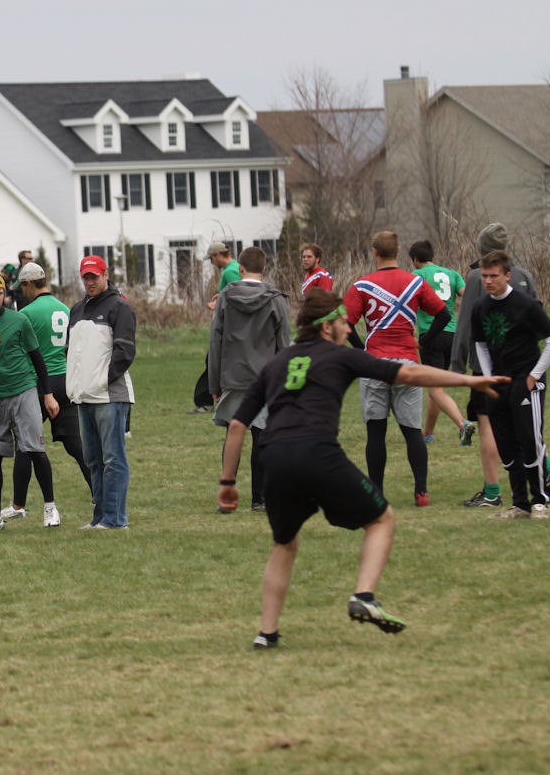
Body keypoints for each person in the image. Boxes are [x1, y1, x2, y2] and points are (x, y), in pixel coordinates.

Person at [218, 289, 508, 648]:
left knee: (284, 544)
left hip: (274, 458)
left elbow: (237, 425)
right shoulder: (342, 356)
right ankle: (364, 596)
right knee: (382, 519)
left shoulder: (275, 363)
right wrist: (468, 381)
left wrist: (227, 482)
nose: (348, 328)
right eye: (344, 322)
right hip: (318, 452)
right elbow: (409, 372)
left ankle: (266, 633)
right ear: (327, 327)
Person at [450, 223, 550, 507]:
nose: (488, 280)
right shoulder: (523, 276)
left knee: (496, 427)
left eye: (493, 275)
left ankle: (495, 491)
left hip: (513, 373)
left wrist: (458, 366)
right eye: (485, 276)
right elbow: (479, 335)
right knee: (520, 431)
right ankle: (540, 478)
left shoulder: (478, 278)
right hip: (502, 372)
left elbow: (465, 326)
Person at [342, 231, 449, 506]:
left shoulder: (362, 285)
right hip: (408, 364)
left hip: (375, 364)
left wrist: (361, 349)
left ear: (374, 252)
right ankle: (421, 492)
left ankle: (376, 493)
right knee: (412, 431)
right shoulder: (415, 282)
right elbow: (444, 314)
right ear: (399, 251)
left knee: (376, 433)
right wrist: (424, 340)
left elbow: (345, 323)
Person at [0, 272, 57, 531]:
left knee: (35, 449)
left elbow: (38, 359)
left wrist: (47, 394)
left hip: (24, 391)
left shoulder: (19, 320)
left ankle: (50, 509)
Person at [208, 247, 291, 513]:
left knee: (233, 436)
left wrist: (214, 384)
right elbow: (284, 344)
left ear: (240, 268)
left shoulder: (225, 297)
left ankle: (226, 496)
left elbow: (216, 341)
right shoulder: (276, 299)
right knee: (262, 436)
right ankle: (260, 498)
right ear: (264, 269)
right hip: (265, 378)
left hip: (233, 376)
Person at [17, 262, 92, 523]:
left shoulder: (26, 313)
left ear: (28, 284)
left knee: (26, 444)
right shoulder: (64, 308)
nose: (22, 291)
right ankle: (98, 491)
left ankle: (18, 504)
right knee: (74, 443)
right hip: (65, 380)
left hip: (41, 383)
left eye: (22, 286)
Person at [65, 255, 136, 529]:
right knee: (93, 459)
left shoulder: (119, 307)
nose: (90, 282)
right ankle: (99, 519)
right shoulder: (76, 309)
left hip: (109, 396)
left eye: (94, 276)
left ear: (106, 275)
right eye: (86, 277)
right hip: (85, 396)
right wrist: (78, 385)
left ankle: (115, 519)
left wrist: (101, 380)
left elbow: (125, 351)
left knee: (113, 458)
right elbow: (71, 352)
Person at [408, 241, 471, 445]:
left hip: (431, 334)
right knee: (436, 387)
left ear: (415, 259)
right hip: (452, 334)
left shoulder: (417, 275)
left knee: (435, 389)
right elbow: (468, 294)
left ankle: (462, 424)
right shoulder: (452, 274)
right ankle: (427, 433)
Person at [190, 241, 240, 412]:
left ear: (218, 255)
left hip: (228, 325)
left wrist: (217, 304)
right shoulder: (234, 267)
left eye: (211, 258)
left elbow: (239, 295)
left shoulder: (230, 271)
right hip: (229, 324)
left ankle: (207, 401)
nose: (211, 262)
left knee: (213, 361)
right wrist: (221, 296)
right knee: (213, 360)